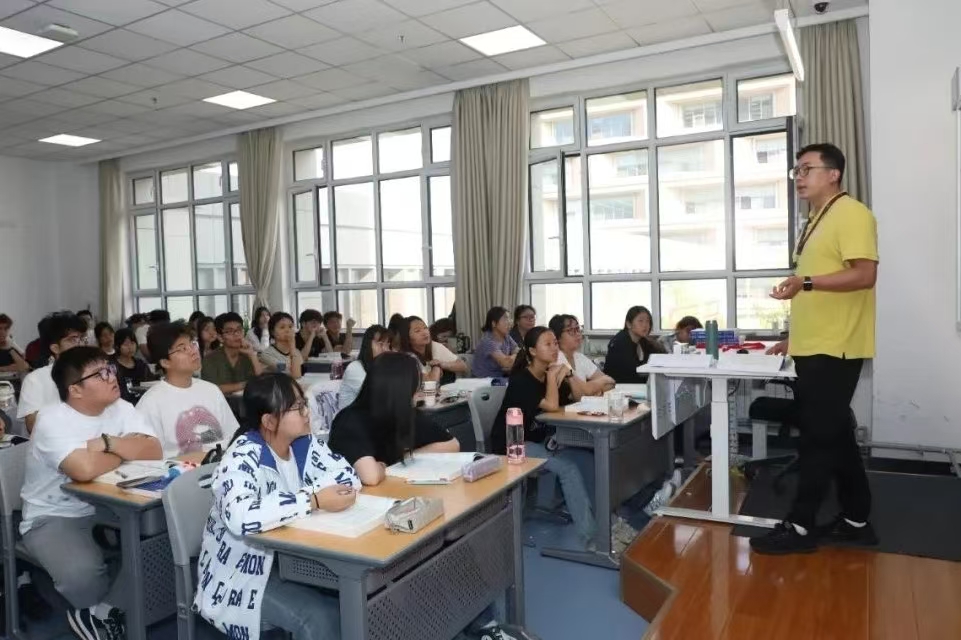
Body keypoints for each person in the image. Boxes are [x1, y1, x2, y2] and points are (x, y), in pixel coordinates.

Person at [750, 143, 879, 555]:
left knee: (817, 440)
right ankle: (857, 519)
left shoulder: (852, 214)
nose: (799, 177)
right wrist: (794, 338)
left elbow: (864, 274)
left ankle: (801, 526)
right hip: (814, 345)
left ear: (834, 173)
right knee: (836, 435)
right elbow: (817, 294)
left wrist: (805, 282)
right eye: (796, 171)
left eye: (807, 169)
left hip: (836, 347)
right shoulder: (815, 220)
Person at [196, 373, 359, 640]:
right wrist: (313, 500)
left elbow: (349, 477)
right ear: (269, 421)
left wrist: (316, 497)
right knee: (322, 617)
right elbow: (241, 517)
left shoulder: (304, 443)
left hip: (294, 559)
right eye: (297, 407)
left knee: (357, 600)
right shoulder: (242, 456)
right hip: (243, 572)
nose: (307, 412)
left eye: (304, 403)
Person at [20, 346, 161, 640]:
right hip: (54, 513)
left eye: (110, 369)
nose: (112, 377)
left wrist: (107, 443)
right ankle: (105, 611)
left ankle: (101, 613)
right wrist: (125, 449)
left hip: (112, 504)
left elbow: (153, 451)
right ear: (75, 389)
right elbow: (82, 470)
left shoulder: (121, 407)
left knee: (163, 539)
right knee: (82, 575)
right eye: (100, 374)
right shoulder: (51, 419)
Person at [490, 327, 595, 547]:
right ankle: (591, 539)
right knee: (568, 469)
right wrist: (552, 377)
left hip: (539, 439)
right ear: (532, 351)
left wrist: (568, 375)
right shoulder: (522, 380)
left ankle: (596, 521)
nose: (554, 348)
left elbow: (577, 399)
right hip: (514, 444)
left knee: (586, 457)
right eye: (547, 344)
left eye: (555, 343)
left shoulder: (550, 373)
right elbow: (552, 406)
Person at [328, 352, 459, 485]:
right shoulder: (349, 421)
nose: (418, 394)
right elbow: (370, 477)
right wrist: (387, 465)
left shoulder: (405, 414)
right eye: (415, 388)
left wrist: (407, 458)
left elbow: (452, 445)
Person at [138, 321, 238, 457]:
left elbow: (233, 436)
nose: (193, 351)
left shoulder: (211, 390)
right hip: (178, 469)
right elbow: (149, 457)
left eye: (192, 343)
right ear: (165, 362)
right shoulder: (151, 403)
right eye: (182, 348)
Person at [17, 312, 89, 434]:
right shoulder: (35, 379)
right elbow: (33, 426)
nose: (81, 344)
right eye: (73, 339)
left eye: (82, 338)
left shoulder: (93, 373)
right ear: (55, 348)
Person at [550, 314, 615, 397]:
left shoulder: (579, 357)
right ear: (557, 337)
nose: (577, 334)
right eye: (571, 330)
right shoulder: (557, 359)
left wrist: (589, 389)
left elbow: (610, 382)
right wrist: (595, 387)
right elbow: (580, 394)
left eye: (578, 329)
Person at [202, 312, 264, 394]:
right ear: (220, 337)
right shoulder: (210, 359)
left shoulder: (247, 355)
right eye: (230, 331)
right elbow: (211, 388)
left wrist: (252, 355)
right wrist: (244, 385)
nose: (237, 334)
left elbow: (262, 382)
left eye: (239, 330)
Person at [604, 306, 665, 384]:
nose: (645, 325)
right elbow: (632, 372)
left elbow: (659, 359)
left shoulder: (643, 341)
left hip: (636, 385)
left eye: (648, 321)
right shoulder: (619, 342)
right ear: (629, 324)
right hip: (618, 386)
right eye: (640, 321)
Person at [400, 315, 467, 383]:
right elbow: (431, 383)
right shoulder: (407, 358)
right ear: (407, 338)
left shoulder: (434, 345)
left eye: (425, 328)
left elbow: (463, 366)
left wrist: (442, 364)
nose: (424, 333)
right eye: (417, 331)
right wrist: (436, 367)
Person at [337, 324, 389, 412]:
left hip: (371, 415)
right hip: (351, 417)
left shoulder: (382, 367)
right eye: (380, 344)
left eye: (387, 345)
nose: (385, 349)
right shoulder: (355, 368)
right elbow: (378, 397)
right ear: (368, 345)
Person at [472, 306, 518, 378]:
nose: (510, 322)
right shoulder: (488, 341)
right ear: (494, 323)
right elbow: (506, 363)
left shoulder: (506, 336)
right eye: (505, 319)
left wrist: (512, 358)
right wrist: (514, 357)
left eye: (509, 318)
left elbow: (517, 349)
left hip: (500, 377)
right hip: (483, 380)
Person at [112, 328, 155, 404]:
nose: (130, 347)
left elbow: (150, 383)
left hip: (143, 403)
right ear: (117, 346)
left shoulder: (141, 364)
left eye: (132, 343)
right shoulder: (113, 367)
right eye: (125, 344)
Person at [259, 312, 304, 379]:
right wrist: (292, 346)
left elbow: (302, 373)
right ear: (272, 332)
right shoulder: (267, 354)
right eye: (282, 327)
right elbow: (295, 376)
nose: (287, 330)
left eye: (290, 327)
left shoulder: (296, 351)